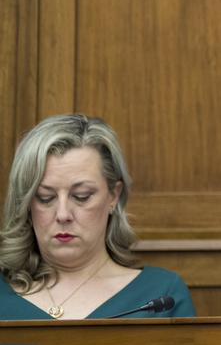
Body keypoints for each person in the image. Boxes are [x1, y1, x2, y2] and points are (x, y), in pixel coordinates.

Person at [0, 114, 195, 320]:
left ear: (114, 195)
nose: (63, 214)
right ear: (27, 204)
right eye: (45, 198)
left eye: (81, 196)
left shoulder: (161, 295)